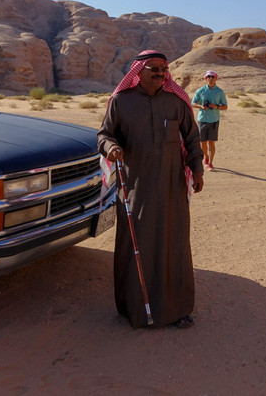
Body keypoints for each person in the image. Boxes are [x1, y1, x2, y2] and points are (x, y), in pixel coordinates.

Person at [98, 50, 204, 329]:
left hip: (172, 188)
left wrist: (198, 169)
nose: (159, 73)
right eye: (153, 68)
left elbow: (193, 139)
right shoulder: (122, 102)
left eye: (163, 68)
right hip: (136, 187)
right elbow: (104, 134)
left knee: (174, 244)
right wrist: (111, 147)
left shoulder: (175, 102)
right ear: (138, 71)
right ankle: (133, 308)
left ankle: (177, 308)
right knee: (137, 245)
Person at [191, 70, 228, 170]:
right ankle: (206, 157)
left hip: (214, 120)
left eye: (212, 77)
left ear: (216, 78)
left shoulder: (220, 92)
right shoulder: (200, 90)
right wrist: (201, 106)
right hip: (202, 119)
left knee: (211, 142)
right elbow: (193, 103)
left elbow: (225, 106)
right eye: (208, 77)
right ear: (205, 78)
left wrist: (216, 106)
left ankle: (210, 163)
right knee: (203, 142)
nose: (210, 79)